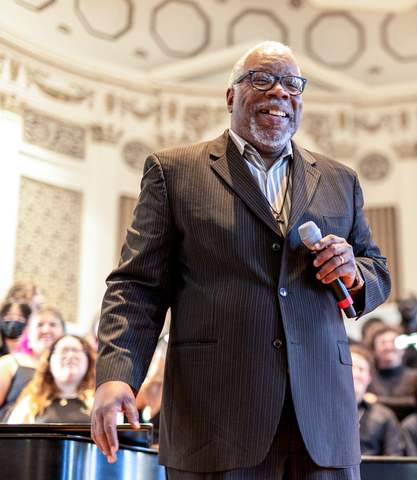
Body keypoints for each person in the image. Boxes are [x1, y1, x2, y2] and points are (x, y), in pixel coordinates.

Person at [91, 40, 391, 479]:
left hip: (323, 423)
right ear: (231, 95)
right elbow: (137, 285)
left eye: (292, 84)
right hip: (215, 419)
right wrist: (117, 374)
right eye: (262, 80)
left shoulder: (339, 179)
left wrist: (355, 271)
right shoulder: (174, 171)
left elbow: (376, 268)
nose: (279, 93)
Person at [7, 335, 95, 423]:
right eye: (64, 350)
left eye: (76, 350)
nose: (70, 355)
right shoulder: (31, 403)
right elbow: (11, 434)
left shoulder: (98, 401)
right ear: (48, 364)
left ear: (88, 362)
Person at [0, 307, 65, 419]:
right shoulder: (10, 363)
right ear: (28, 333)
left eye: (53, 324)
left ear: (64, 333)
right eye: (39, 325)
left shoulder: (69, 370)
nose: (46, 329)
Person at [349, 345, 402, 456]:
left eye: (361, 369)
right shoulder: (325, 412)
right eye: (350, 367)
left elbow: (393, 457)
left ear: (369, 378)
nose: (355, 374)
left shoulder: (384, 415)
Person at [365, 325, 417, 421]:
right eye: (382, 343)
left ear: (403, 349)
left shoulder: (415, 377)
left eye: (394, 342)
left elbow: (415, 402)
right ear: (373, 351)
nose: (388, 346)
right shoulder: (368, 379)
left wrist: (377, 400)